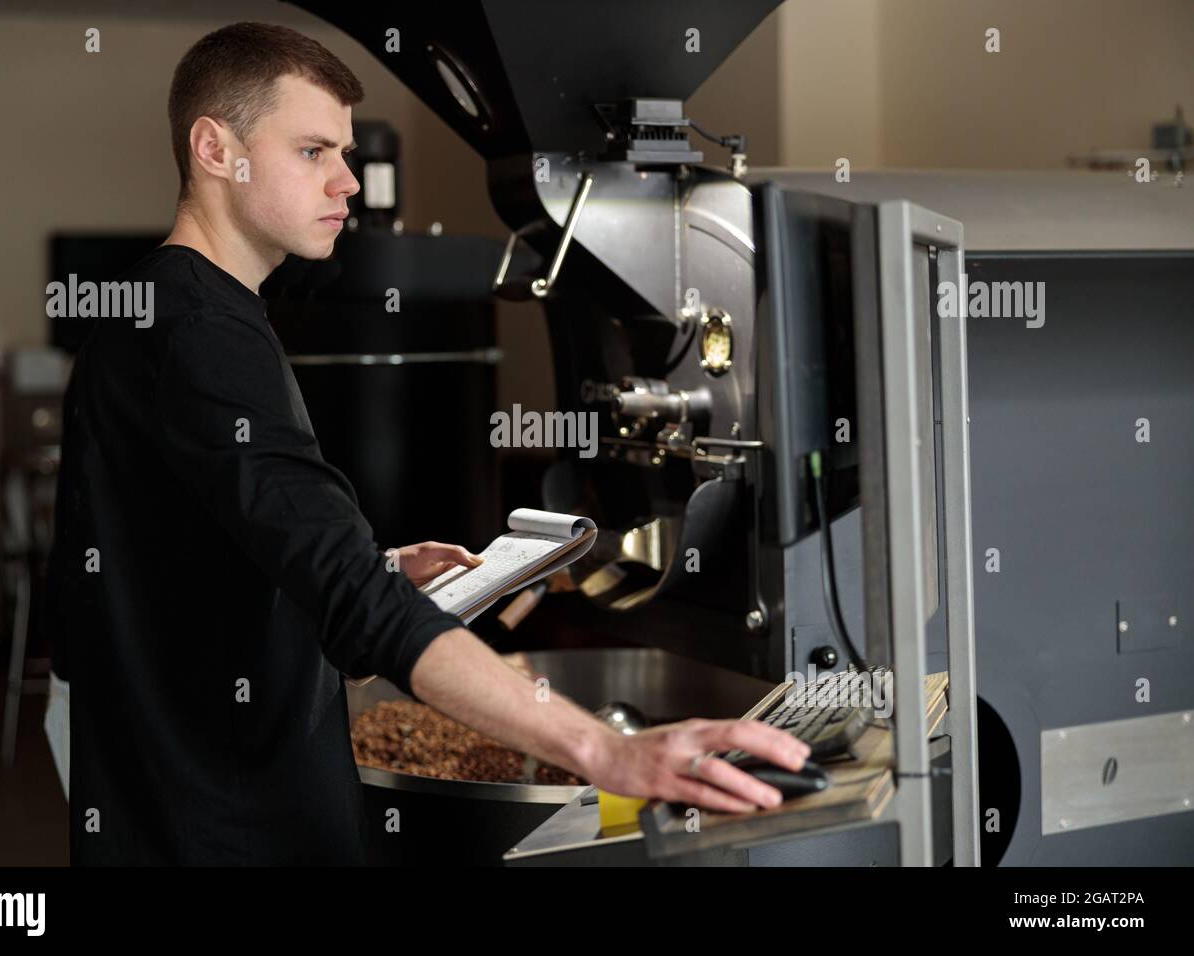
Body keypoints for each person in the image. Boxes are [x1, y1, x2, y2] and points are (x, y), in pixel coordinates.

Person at [44, 21, 809, 865]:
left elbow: (162, 577)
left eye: (342, 151)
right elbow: (349, 609)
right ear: (216, 149)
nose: (346, 183)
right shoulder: (200, 335)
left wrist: (374, 568)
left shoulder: (153, 316)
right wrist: (610, 753)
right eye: (311, 151)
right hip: (226, 829)